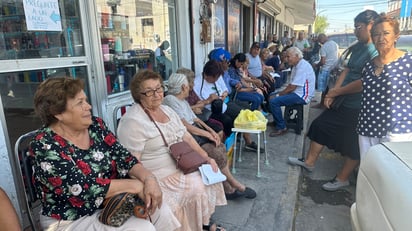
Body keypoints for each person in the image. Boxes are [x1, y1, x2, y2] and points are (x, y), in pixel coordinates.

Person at [30, 77, 178, 230]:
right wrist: (136, 186)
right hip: (71, 218)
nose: (88, 106)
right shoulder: (44, 144)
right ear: (57, 113)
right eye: (80, 103)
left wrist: (149, 179)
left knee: (160, 210)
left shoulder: (95, 126)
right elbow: (81, 188)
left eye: (85, 100)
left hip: (112, 203)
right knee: (142, 228)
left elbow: (125, 158)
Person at [116, 70, 227, 231]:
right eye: (149, 91)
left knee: (206, 180)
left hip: (180, 167)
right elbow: (131, 163)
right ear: (138, 95)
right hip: (157, 176)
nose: (156, 94)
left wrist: (206, 158)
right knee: (184, 194)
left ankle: (202, 225)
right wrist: (148, 182)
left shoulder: (167, 110)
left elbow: (186, 137)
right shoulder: (132, 121)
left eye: (159, 88)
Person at [287, 10, 379, 191]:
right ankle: (309, 162)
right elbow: (346, 69)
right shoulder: (360, 46)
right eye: (355, 27)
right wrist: (333, 92)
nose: (355, 31)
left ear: (371, 26)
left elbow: (363, 82)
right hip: (344, 100)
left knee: (353, 143)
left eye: (358, 27)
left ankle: (342, 178)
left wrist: (336, 92)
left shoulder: (375, 50)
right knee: (320, 125)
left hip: (360, 105)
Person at [163, 72, 257, 200]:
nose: (190, 88)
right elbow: (185, 125)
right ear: (183, 87)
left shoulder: (181, 100)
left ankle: (227, 188)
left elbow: (195, 119)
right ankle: (235, 185)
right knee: (215, 152)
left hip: (196, 132)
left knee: (220, 146)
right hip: (186, 138)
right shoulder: (170, 100)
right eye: (188, 85)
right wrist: (208, 133)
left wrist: (210, 131)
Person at [356, 14, 412, 158]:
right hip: (367, 127)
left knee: (393, 175)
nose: (381, 38)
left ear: (396, 36)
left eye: (386, 33)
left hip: (397, 130)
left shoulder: (408, 62)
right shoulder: (368, 65)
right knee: (369, 171)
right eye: (376, 34)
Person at [194, 60, 262, 152]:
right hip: (209, 111)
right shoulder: (197, 83)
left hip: (223, 104)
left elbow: (225, 90)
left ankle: (248, 142)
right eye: (215, 78)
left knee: (243, 112)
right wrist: (209, 100)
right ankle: (228, 145)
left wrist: (224, 94)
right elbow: (197, 106)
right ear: (208, 75)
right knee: (229, 119)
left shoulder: (217, 77)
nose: (217, 79)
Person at [268, 47, 315, 137]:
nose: (287, 59)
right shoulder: (297, 65)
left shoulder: (302, 67)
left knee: (274, 101)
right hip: (297, 92)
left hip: (302, 96)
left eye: (289, 57)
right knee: (271, 95)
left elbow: (292, 87)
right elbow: (291, 86)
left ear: (297, 56)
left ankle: (281, 127)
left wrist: (279, 94)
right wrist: (279, 94)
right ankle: (277, 120)